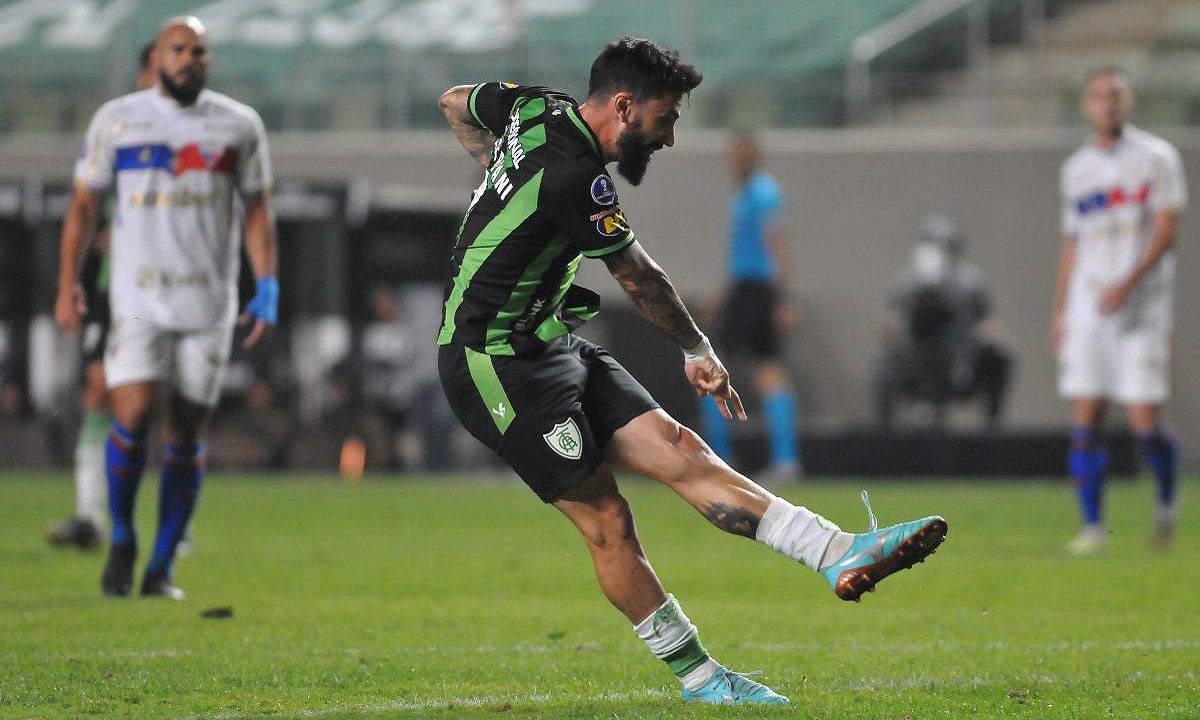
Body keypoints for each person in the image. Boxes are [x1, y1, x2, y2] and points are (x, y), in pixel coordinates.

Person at [435, 36, 947, 706]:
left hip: (550, 342)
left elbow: (454, 102)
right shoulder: (573, 177)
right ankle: (704, 681)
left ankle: (837, 552)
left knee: (682, 448)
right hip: (492, 364)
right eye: (666, 119)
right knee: (609, 520)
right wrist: (698, 349)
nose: (670, 138)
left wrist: (494, 184)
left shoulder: (532, 108)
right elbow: (640, 279)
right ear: (623, 106)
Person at [55, 17, 278, 598]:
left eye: (199, 51)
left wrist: (267, 285)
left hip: (208, 301)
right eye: (178, 49)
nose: (189, 59)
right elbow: (83, 207)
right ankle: (123, 538)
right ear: (156, 56)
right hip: (138, 298)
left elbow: (257, 209)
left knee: (185, 430)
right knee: (130, 412)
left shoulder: (238, 126)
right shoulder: (117, 119)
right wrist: (68, 283)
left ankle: (160, 567)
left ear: (209, 60)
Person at [1053, 67, 1185, 554]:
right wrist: (1061, 310)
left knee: (1144, 421)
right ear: (1088, 105)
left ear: (1129, 101)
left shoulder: (1157, 158)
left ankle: (1167, 505)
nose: (1108, 104)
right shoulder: (1076, 169)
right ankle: (1092, 528)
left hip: (1142, 309)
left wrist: (1128, 283)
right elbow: (1072, 245)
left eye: (1117, 95)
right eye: (1099, 96)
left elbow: (1167, 229)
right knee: (1086, 416)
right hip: (1089, 310)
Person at [45, 40, 159, 551]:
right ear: (141, 76)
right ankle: (90, 515)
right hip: (116, 288)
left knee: (153, 403)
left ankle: (167, 520)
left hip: (171, 293)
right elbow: (85, 207)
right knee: (99, 393)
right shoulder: (117, 131)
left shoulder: (204, 133)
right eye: (159, 68)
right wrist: (71, 283)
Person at [699, 133, 802, 483]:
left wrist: (783, 299)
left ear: (752, 156)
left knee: (715, 368)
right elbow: (740, 258)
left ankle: (719, 457)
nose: (734, 159)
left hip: (757, 293)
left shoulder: (762, 193)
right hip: (744, 290)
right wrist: (721, 298)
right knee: (761, 372)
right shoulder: (744, 196)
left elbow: (776, 244)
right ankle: (779, 460)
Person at [876, 214, 1012, 429]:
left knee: (1002, 357)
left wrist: (986, 336)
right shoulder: (906, 283)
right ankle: (883, 438)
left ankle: (993, 432)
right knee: (884, 362)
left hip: (961, 361)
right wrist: (893, 330)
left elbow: (992, 323)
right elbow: (888, 321)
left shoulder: (972, 283)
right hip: (916, 362)